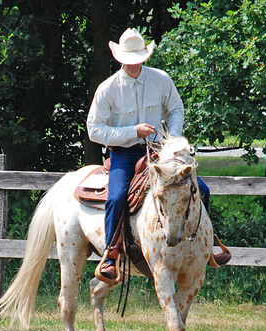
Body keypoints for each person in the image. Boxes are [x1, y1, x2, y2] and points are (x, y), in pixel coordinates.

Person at [86, 28, 230, 282]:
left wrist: (172, 140)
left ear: (144, 56)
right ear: (120, 59)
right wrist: (133, 131)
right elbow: (94, 130)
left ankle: (203, 246)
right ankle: (111, 254)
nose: (134, 64)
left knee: (201, 190)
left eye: (138, 58)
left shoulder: (160, 79)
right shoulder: (107, 88)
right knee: (117, 196)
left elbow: (175, 109)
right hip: (125, 154)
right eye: (129, 60)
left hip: (159, 151)